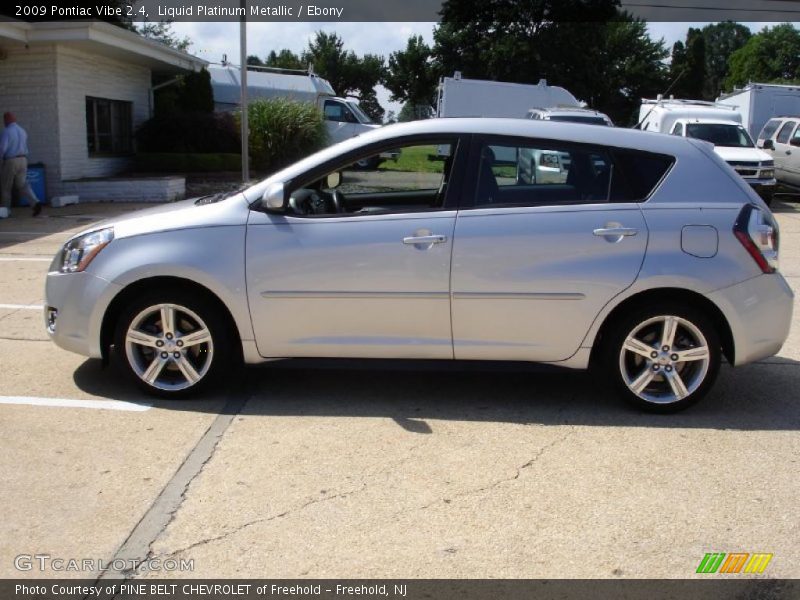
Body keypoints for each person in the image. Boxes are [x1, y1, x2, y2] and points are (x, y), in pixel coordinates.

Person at [0, 112, 41, 217]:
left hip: (11, 160)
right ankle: (35, 202)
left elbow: (2, 148)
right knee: (22, 184)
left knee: (6, 186)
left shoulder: (7, 131)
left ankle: (6, 210)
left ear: (7, 120)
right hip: (23, 159)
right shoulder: (22, 131)